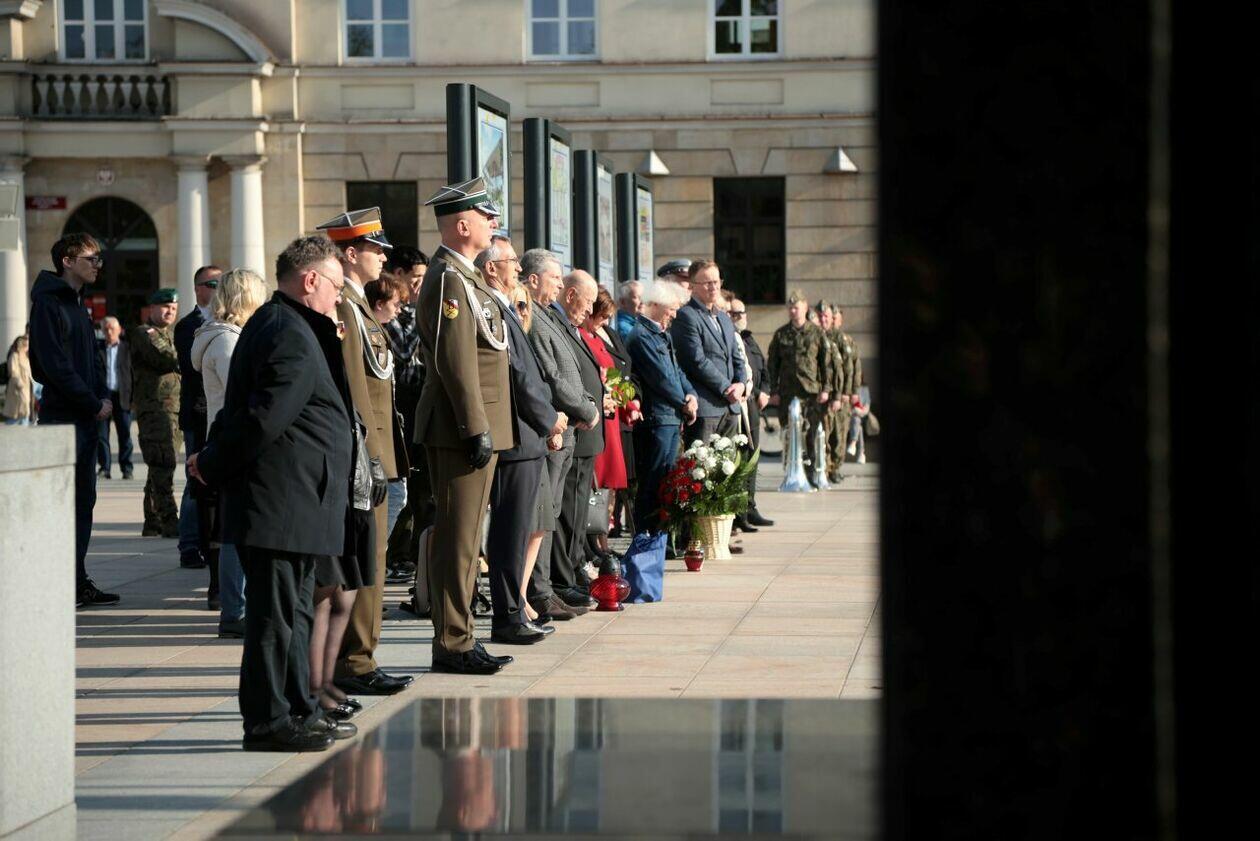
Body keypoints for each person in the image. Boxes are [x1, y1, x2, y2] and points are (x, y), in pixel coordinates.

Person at [188, 235, 356, 752]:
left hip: (297, 501)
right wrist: (210, 464)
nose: (339, 296)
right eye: (336, 286)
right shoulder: (287, 331)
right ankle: (267, 722)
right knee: (275, 618)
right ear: (311, 280)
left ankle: (298, 708)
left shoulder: (286, 323)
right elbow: (262, 418)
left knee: (295, 613)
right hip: (282, 501)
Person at [413, 177, 517, 675]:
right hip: (460, 428)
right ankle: (453, 642)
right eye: (485, 217)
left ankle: (460, 635)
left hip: (476, 424)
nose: (493, 224)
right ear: (461, 225)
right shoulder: (449, 279)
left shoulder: (466, 277)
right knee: (458, 539)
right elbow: (455, 361)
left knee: (468, 537)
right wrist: (475, 426)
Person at [316, 207, 412, 697]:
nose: (383, 259)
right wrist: (370, 458)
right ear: (351, 254)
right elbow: (355, 392)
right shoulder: (348, 310)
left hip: (379, 452)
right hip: (366, 455)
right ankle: (356, 661)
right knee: (366, 560)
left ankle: (359, 656)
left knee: (373, 558)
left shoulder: (357, 307)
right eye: (376, 250)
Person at [476, 234, 562, 644]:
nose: (518, 268)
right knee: (510, 532)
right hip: (518, 433)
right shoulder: (492, 305)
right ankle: (508, 616)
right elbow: (519, 376)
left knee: (517, 528)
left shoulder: (507, 306)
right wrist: (550, 420)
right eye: (512, 261)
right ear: (492, 268)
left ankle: (513, 611)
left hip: (525, 432)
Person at [28, 232, 119, 607]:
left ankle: (76, 581)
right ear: (67, 261)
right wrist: (91, 402)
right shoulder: (48, 304)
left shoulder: (78, 305)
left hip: (85, 418)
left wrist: (103, 396)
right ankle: (59, 584)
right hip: (63, 420)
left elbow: (92, 360)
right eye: (90, 258)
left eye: (99, 258)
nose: (98, 265)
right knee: (63, 507)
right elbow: (52, 365)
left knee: (83, 504)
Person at [522, 249, 597, 622]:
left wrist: (586, 403)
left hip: (565, 429)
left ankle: (545, 589)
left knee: (549, 516)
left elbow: (570, 371)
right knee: (543, 519)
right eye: (555, 278)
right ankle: (538, 592)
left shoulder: (547, 314)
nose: (559, 284)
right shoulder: (532, 317)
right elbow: (550, 377)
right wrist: (585, 408)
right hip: (552, 429)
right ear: (534, 278)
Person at [191, 268, 267, 634]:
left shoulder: (226, 336)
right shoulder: (227, 341)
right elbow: (242, 395)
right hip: (233, 441)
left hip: (228, 438)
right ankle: (234, 611)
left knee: (237, 527)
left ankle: (236, 607)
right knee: (237, 530)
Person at [626, 282, 698, 534]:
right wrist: (683, 403)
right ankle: (646, 539)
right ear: (655, 305)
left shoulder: (660, 334)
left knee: (665, 482)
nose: (674, 314)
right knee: (652, 484)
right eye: (672, 308)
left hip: (670, 417)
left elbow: (676, 372)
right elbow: (661, 378)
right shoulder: (641, 336)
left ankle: (660, 540)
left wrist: (691, 395)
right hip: (657, 420)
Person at [381, 247, 433, 585]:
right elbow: (400, 350)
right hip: (399, 408)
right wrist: (420, 313)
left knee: (421, 489)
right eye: (416, 279)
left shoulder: (414, 310)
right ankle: (397, 554)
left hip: (420, 405)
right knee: (401, 485)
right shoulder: (390, 307)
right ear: (398, 274)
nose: (420, 286)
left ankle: (413, 553)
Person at [174, 266, 223, 568]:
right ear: (198, 288)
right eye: (213, 283)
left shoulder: (227, 322)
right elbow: (192, 367)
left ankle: (209, 542)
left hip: (218, 414)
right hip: (198, 414)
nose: (218, 289)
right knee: (195, 480)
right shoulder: (187, 325)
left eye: (222, 283)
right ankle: (190, 545)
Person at [669, 259, 746, 447]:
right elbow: (697, 361)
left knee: (728, 464)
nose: (714, 287)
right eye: (707, 283)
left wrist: (741, 384)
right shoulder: (686, 316)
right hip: (706, 409)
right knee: (701, 464)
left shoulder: (724, 318)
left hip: (730, 408)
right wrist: (727, 389)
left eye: (717, 281)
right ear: (692, 286)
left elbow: (737, 358)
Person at [579, 288, 631, 558]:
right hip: (598, 417)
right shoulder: (583, 337)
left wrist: (627, 401)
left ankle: (603, 540)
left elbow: (615, 375)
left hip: (611, 416)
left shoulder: (598, 337)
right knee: (595, 483)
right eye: (602, 316)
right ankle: (592, 542)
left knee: (609, 482)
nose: (605, 322)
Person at [130, 288, 183, 541]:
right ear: (151, 308)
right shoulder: (144, 333)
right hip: (155, 412)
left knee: (159, 466)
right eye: (164, 307)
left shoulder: (170, 335)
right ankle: (170, 520)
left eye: (173, 308)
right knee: (163, 464)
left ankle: (152, 520)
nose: (169, 312)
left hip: (173, 411)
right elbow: (168, 359)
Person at [765, 289, 833, 480]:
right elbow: (772, 365)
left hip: (810, 392)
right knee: (789, 434)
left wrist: (826, 389)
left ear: (805, 307)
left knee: (811, 434)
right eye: (790, 308)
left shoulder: (817, 333)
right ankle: (792, 473)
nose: (793, 311)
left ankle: (811, 475)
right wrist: (773, 391)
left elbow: (825, 364)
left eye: (796, 307)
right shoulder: (781, 334)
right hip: (787, 393)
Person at [364, 275, 410, 540]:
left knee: (396, 497)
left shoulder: (379, 330)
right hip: (376, 433)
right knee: (391, 497)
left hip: (389, 428)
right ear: (380, 304)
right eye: (396, 304)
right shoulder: (368, 329)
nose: (399, 310)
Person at [728, 296, 775, 528]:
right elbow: (739, 374)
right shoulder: (732, 338)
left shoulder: (749, 338)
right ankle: (739, 512)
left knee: (753, 456)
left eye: (742, 312)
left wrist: (765, 391)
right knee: (741, 456)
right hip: (744, 401)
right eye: (734, 313)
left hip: (756, 404)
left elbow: (763, 369)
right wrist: (755, 391)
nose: (739, 317)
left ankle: (750, 505)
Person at [94, 317, 133, 477]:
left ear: (119, 330)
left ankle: (127, 468)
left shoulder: (127, 349)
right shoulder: (97, 349)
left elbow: (133, 374)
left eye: (112, 329)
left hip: (122, 396)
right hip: (103, 398)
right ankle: (105, 468)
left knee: (125, 434)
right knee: (101, 435)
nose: (109, 332)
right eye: (106, 329)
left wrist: (134, 398)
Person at [831, 307, 863, 479]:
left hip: (844, 394)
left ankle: (836, 466)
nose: (832, 321)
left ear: (840, 320)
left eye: (835, 318)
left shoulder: (847, 341)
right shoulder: (823, 337)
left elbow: (855, 368)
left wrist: (853, 391)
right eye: (830, 317)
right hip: (829, 393)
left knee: (840, 432)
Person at [4, 334, 35, 425]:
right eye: (27, 345)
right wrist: (20, 384)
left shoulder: (26, 358)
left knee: (24, 411)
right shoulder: (14, 356)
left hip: (27, 387)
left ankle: (24, 427)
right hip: (17, 388)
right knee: (18, 412)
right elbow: (13, 372)